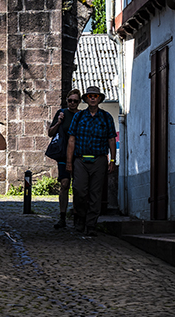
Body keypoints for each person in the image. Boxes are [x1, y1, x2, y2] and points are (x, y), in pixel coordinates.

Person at [66, 85, 116, 236]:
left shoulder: (106, 117)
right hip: (80, 160)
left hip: (99, 160)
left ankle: (91, 224)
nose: (93, 98)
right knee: (79, 190)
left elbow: (112, 140)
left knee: (96, 194)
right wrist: (69, 162)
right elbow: (71, 140)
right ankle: (80, 218)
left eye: (95, 96)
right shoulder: (79, 117)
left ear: (100, 98)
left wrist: (112, 160)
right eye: (90, 96)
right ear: (86, 99)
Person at [48, 89, 81, 229]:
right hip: (63, 153)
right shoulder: (62, 113)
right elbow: (50, 133)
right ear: (67, 100)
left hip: (78, 154)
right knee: (65, 184)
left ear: (79, 102)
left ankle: (78, 216)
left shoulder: (81, 115)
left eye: (75, 101)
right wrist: (59, 122)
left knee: (79, 187)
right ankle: (62, 216)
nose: (72, 103)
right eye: (70, 100)